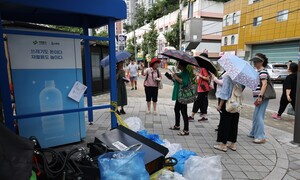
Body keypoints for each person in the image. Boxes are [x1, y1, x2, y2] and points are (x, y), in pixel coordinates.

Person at [214, 75, 242, 152]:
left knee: (224, 123)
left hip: (228, 104)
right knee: (234, 123)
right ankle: (233, 143)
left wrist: (220, 106)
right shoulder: (240, 77)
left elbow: (224, 93)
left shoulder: (228, 77)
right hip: (236, 103)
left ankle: (223, 144)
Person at [249, 53, 269, 144]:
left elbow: (264, 84)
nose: (255, 64)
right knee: (256, 115)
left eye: (256, 62)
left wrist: (260, 96)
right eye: (254, 62)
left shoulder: (263, 71)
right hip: (257, 96)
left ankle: (261, 137)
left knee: (259, 116)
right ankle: (254, 132)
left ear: (262, 62)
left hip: (261, 97)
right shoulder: (257, 71)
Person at [168, 61, 190, 136]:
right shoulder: (182, 72)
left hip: (182, 95)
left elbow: (184, 82)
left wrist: (176, 77)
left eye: (178, 63)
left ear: (181, 65)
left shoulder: (185, 72)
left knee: (184, 112)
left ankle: (186, 130)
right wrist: (173, 77)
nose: (177, 65)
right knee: (176, 109)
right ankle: (177, 125)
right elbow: (178, 78)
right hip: (179, 94)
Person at [188, 53, 210, 121]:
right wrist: (197, 76)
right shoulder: (204, 68)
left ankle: (192, 116)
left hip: (203, 88)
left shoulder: (203, 68)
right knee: (203, 102)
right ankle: (204, 116)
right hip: (204, 88)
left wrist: (199, 75)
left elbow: (207, 78)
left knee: (197, 102)